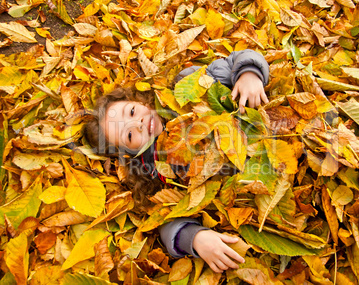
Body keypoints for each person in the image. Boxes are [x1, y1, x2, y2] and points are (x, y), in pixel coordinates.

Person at [84, 49, 270, 273]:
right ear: (128, 153)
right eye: (130, 135)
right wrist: (195, 238)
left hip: (267, 129)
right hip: (252, 185)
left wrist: (249, 74)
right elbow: (166, 218)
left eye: (132, 111)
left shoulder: (185, 87)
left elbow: (237, 59)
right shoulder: (153, 172)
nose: (139, 123)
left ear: (136, 99)